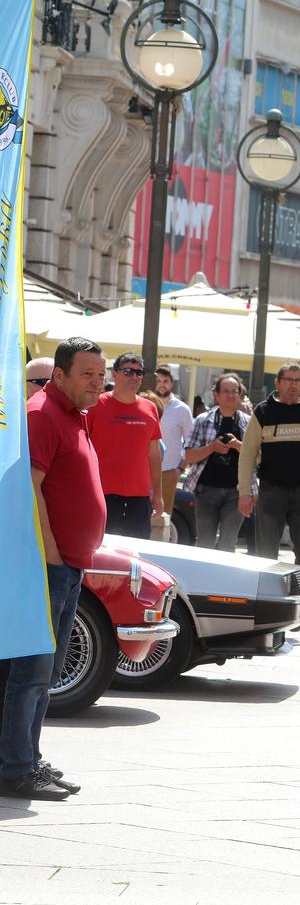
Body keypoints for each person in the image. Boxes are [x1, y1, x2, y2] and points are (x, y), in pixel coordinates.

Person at [2, 338, 107, 799]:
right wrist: (52, 557)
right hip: (50, 568)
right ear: (59, 376)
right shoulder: (43, 414)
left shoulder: (73, 414)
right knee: (31, 674)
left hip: (66, 566)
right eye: (88, 374)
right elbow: (29, 489)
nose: (97, 382)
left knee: (45, 674)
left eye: (100, 374)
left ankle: (29, 759)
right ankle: (15, 768)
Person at [237, 363, 300, 582]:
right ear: (278, 383)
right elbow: (247, 455)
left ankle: (299, 593)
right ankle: (269, 597)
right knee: (265, 556)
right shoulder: (263, 412)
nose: (293, 385)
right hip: (271, 492)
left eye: (298, 380)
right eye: (289, 380)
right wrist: (244, 492)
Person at [85, 351, 163, 538]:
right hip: (101, 494)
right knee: (101, 551)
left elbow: (154, 454)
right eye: (128, 371)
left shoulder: (149, 407)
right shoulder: (96, 404)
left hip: (139, 498)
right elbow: (82, 446)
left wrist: (158, 494)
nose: (134, 377)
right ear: (115, 374)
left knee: (137, 553)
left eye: (139, 373)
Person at [182, 374, 251, 551]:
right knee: (204, 543)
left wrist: (237, 445)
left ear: (240, 394)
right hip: (206, 490)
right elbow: (189, 456)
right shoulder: (203, 420)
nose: (230, 395)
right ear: (217, 395)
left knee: (228, 543)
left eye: (234, 391)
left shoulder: (249, 423)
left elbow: (258, 457)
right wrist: (212, 447)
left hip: (237, 491)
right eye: (225, 391)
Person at [151, 365, 192, 523]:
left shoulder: (182, 409)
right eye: (158, 380)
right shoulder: (147, 404)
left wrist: (180, 469)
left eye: (165, 381)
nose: (162, 384)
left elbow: (190, 442)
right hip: (145, 469)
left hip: (169, 471)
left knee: (163, 518)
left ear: (171, 383)